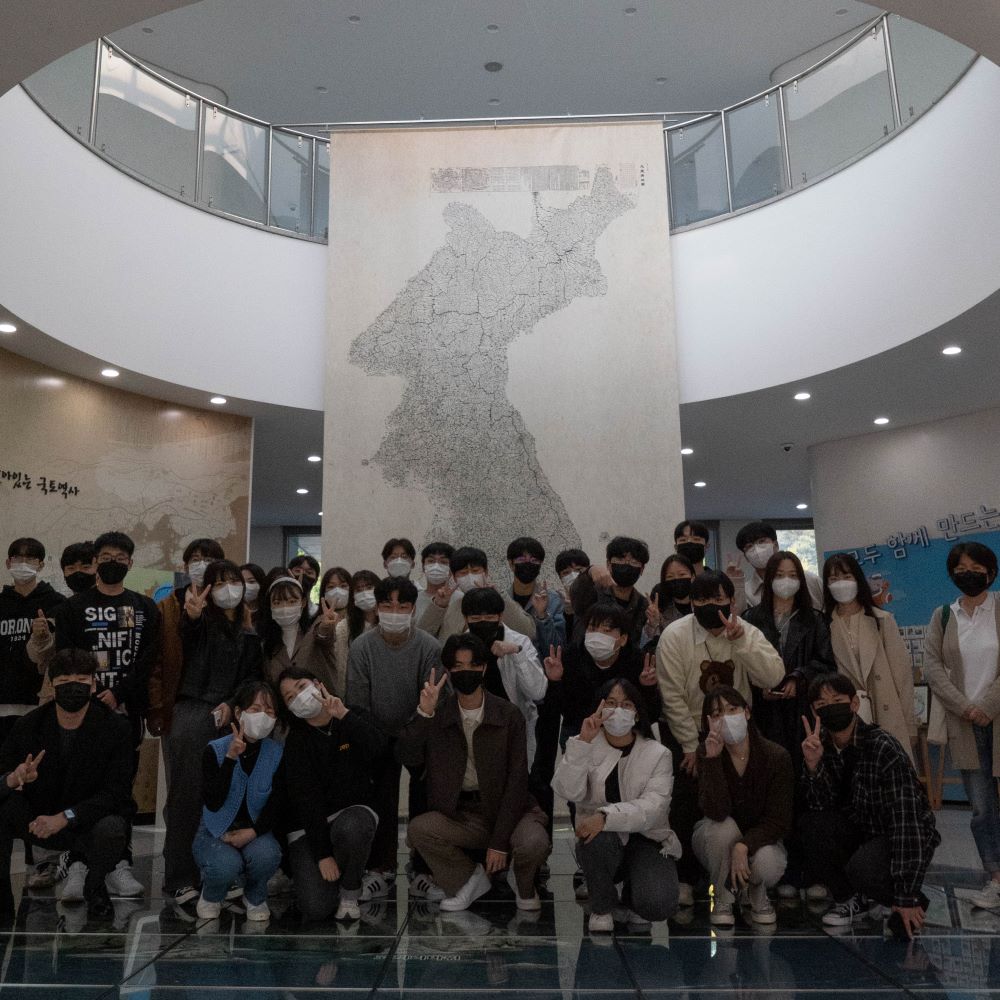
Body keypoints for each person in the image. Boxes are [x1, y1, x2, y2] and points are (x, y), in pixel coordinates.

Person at [655, 570, 784, 905]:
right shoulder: (674, 635)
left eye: (717, 598)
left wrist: (741, 642)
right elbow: (671, 695)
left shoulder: (746, 631)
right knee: (685, 802)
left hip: (737, 730)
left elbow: (773, 675)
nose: (709, 605)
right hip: (689, 730)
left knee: (739, 801)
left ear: (731, 601)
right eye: (701, 599)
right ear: (692, 603)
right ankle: (686, 878)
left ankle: (748, 876)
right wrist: (690, 746)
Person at [401, 634, 550, 912]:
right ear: (448, 671)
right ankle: (469, 879)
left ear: (483, 668)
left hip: (511, 810)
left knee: (534, 842)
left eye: (472, 665)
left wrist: (499, 843)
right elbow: (408, 756)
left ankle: (524, 884)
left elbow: (517, 780)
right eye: (457, 666)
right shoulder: (439, 714)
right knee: (420, 829)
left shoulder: (508, 715)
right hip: (465, 814)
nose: (465, 672)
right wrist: (424, 713)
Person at [53, 531, 158, 897]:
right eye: (106, 556)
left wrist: (119, 693)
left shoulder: (145, 608)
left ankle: (118, 862)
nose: (113, 562)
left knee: (121, 790)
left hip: (127, 714)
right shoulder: (72, 608)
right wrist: (95, 694)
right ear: (95, 561)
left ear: (131, 563)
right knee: (79, 787)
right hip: (81, 712)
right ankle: (77, 863)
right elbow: (65, 659)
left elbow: (147, 661)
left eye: (120, 557)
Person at [798, 673, 939, 939]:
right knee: (811, 825)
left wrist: (906, 894)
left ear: (854, 704)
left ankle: (904, 899)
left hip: (895, 834)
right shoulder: (819, 746)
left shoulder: (883, 746)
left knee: (865, 870)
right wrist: (813, 766)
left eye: (837, 701)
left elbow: (907, 820)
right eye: (822, 705)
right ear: (814, 712)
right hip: (860, 830)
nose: (830, 708)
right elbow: (820, 806)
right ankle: (851, 899)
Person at [0, 649, 134, 922]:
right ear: (52, 685)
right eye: (64, 682)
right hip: (39, 817)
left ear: (94, 684)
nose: (73, 688)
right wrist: (15, 778)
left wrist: (66, 817)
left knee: (113, 826)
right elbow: (3, 774)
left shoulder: (116, 728)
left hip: (85, 819)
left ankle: (94, 885)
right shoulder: (28, 726)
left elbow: (116, 793)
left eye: (81, 680)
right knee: (3, 807)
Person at [159, 559, 262, 905]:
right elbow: (187, 636)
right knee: (186, 797)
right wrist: (191, 615)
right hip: (193, 715)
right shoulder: (200, 621)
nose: (228, 588)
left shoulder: (249, 633)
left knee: (226, 797)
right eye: (219, 582)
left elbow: (252, 677)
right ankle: (180, 877)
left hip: (230, 719)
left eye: (234, 581)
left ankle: (218, 871)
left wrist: (233, 703)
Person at [552, 678, 680, 933]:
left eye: (626, 704)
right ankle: (601, 906)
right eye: (611, 703)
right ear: (600, 709)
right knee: (594, 840)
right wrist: (582, 744)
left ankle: (632, 896)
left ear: (637, 713)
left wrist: (605, 816)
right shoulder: (585, 743)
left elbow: (653, 808)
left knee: (658, 904)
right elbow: (567, 790)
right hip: (602, 840)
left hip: (646, 839)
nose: (618, 710)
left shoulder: (658, 753)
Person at [345, 575, 440, 898]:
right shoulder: (362, 646)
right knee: (380, 797)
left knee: (425, 796)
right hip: (376, 734)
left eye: (402, 606)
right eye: (387, 605)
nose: (395, 612)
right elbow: (357, 701)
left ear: (413, 609)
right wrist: (381, 738)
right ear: (377, 608)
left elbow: (432, 697)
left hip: (419, 732)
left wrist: (410, 733)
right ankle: (381, 868)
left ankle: (423, 867)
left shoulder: (429, 646)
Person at [921, 541, 1000, 910]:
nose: (968, 574)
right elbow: (932, 667)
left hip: (996, 717)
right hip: (965, 724)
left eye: (976, 568)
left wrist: (987, 705)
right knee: (982, 809)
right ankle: (995, 879)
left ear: (991, 572)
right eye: (961, 569)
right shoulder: (943, 616)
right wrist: (966, 707)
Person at [278, 668, 384, 921]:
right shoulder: (296, 741)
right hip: (309, 829)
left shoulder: (353, 715)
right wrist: (322, 854)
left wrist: (344, 716)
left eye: (301, 686)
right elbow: (305, 800)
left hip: (351, 815)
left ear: (318, 683)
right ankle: (328, 872)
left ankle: (350, 890)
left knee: (354, 827)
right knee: (316, 908)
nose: (299, 697)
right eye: (290, 697)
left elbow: (379, 750)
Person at [693, 686, 793, 926]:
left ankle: (756, 891)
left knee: (766, 861)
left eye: (732, 709)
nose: (726, 718)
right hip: (715, 838)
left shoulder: (776, 756)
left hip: (762, 840)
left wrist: (744, 845)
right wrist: (713, 760)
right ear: (708, 722)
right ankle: (724, 897)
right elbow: (716, 812)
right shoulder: (706, 752)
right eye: (717, 714)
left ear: (746, 712)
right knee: (722, 829)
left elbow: (779, 821)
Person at [194, 680, 283, 921]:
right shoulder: (215, 749)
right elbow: (212, 801)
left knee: (268, 855)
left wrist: (252, 832)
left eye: (270, 711)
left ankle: (255, 896)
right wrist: (230, 758)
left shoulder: (276, 753)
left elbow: (277, 804)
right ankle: (212, 895)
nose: (263, 716)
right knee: (225, 865)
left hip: (256, 830)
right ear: (238, 712)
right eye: (255, 709)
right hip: (215, 831)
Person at [742, 551, 835, 765]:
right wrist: (760, 684)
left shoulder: (814, 619)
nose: (786, 581)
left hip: (803, 708)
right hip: (763, 712)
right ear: (769, 579)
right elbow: (743, 663)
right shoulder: (751, 618)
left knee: (805, 764)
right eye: (779, 575)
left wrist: (798, 677)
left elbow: (826, 663)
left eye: (793, 575)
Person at [822, 552, 916, 758]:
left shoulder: (882, 619)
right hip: (846, 716)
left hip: (886, 710)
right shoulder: (823, 625)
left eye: (847, 577)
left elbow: (902, 677)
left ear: (858, 579)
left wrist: (910, 725)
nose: (841, 583)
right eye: (834, 579)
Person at [147, 538, 226, 740]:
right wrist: (156, 706)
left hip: (218, 704)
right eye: (196, 559)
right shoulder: (166, 607)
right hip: (176, 703)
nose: (202, 565)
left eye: (209, 560)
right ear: (185, 567)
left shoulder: (227, 608)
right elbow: (155, 661)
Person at [460, 587, 549, 763]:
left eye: (489, 618)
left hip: (512, 728)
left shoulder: (519, 642)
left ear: (500, 616)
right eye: (475, 619)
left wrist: (516, 653)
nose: (482, 623)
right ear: (466, 618)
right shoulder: (461, 647)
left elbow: (537, 692)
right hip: (472, 729)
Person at [1, 538, 66, 746]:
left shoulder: (57, 603)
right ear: (8, 563)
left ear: (41, 565)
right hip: (3, 701)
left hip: (40, 701)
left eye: (30, 559)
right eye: (17, 558)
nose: (23, 564)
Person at [417, 546, 536, 641]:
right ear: (454, 577)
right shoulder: (451, 606)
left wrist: (500, 598)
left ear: (486, 572)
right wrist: (438, 606)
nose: (470, 576)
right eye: (463, 573)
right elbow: (421, 638)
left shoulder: (502, 601)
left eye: (475, 571)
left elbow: (528, 632)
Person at [260, 575, 341, 695]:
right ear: (270, 606)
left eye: (292, 601)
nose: (285, 607)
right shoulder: (266, 644)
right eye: (277, 602)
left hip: (323, 703)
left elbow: (324, 636)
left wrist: (325, 627)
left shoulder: (315, 629)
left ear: (303, 602)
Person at [569, 536, 650, 646]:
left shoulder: (643, 605)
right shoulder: (593, 591)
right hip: (584, 655)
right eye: (620, 560)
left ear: (642, 569)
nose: (626, 564)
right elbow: (575, 593)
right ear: (608, 564)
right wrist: (590, 571)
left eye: (633, 561)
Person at [735, 522, 824, 611]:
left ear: (776, 545)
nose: (757, 550)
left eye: (761, 541)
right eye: (749, 546)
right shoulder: (746, 592)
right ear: (746, 557)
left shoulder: (810, 580)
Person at [506, 537, 566, 660]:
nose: (528, 564)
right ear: (511, 564)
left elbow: (557, 650)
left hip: (542, 668)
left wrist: (543, 616)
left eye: (534, 560)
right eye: (521, 559)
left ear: (540, 565)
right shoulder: (503, 601)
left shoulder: (553, 600)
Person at [643, 554, 696, 647]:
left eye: (682, 574)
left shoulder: (702, 606)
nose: (676, 579)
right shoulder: (662, 611)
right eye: (670, 576)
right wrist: (654, 624)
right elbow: (648, 644)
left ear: (692, 577)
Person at [554, 548, 591, 639]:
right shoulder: (556, 604)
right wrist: (568, 615)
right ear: (560, 578)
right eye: (566, 572)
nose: (573, 576)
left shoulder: (600, 597)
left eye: (578, 570)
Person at [414, 542, 455, 621]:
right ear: (423, 567)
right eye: (431, 561)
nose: (436, 566)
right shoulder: (414, 599)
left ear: (451, 569)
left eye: (443, 562)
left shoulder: (460, 599)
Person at [240, 563, 266, 629]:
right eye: (242, 582)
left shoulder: (268, 612)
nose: (246, 586)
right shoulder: (232, 611)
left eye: (251, 581)